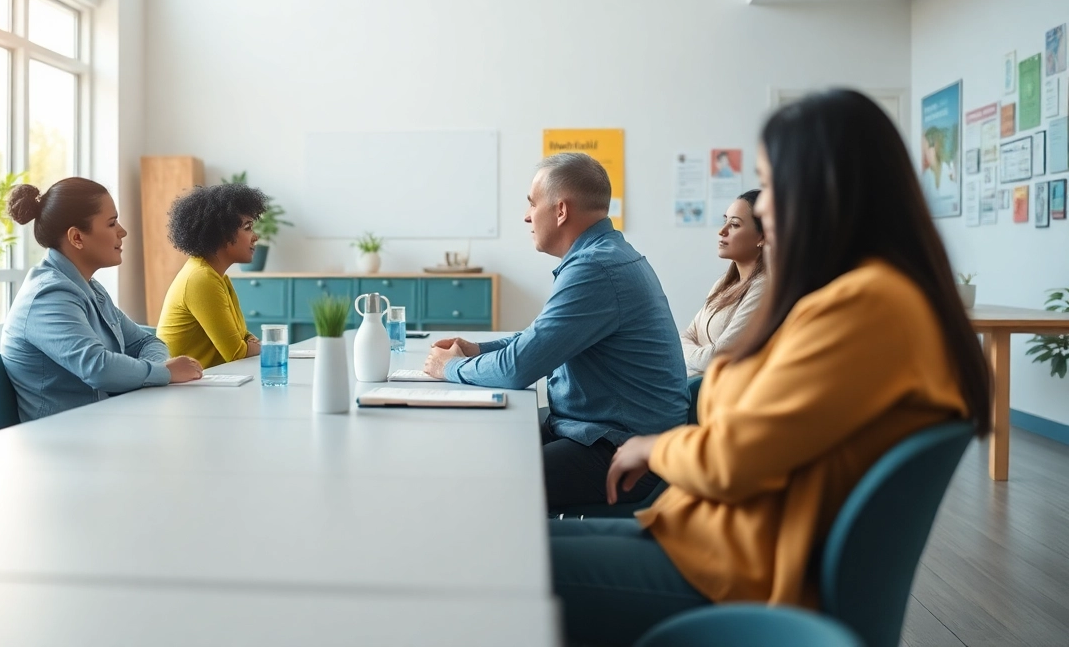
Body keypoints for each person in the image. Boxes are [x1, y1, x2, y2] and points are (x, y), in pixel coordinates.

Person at [549, 89, 992, 646]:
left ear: (824, 188)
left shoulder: (867, 305)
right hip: (716, 541)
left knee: (502, 559)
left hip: (736, 568)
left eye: (772, 184)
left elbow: (735, 457)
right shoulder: (873, 296)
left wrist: (652, 447)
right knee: (515, 541)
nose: (763, 209)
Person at [423, 153, 688, 510]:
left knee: (483, 482)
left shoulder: (596, 268)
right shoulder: (601, 255)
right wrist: (475, 350)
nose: (527, 216)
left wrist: (449, 367)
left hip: (622, 450)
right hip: (595, 430)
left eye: (532, 204)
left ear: (561, 211)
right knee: (480, 445)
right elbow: (537, 340)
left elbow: (519, 368)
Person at [1, 178, 203, 421]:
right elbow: (98, 368)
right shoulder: (48, 296)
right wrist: (163, 373)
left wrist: (153, 373)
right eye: (111, 223)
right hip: (66, 442)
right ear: (77, 237)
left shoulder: (90, 288)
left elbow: (146, 343)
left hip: (103, 425)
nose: (122, 231)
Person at [157, 183, 267, 368]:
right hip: (184, 391)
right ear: (222, 233)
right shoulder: (201, 278)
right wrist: (267, 347)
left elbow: (243, 337)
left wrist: (249, 345)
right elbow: (237, 353)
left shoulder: (217, 276)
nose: (255, 237)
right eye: (247, 227)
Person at [681, 189, 766, 376]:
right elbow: (686, 335)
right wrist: (698, 354)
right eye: (725, 220)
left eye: (734, 224)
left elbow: (718, 358)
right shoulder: (723, 283)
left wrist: (689, 352)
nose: (722, 231)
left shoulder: (762, 288)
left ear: (762, 237)